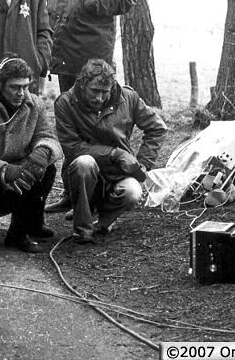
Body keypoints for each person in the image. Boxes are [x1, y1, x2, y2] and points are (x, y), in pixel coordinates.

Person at [44, 0, 137, 214]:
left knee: (95, 126)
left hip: (92, 56)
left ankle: (98, 197)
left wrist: (89, 3)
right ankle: (72, 194)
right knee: (70, 123)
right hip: (64, 50)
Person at [54, 59, 166, 244]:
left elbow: (157, 128)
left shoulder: (128, 97)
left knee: (132, 192)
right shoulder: (66, 102)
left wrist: (144, 163)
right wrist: (115, 154)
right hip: (83, 169)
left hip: (118, 172)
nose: (99, 98)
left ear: (112, 87)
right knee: (84, 164)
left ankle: (104, 222)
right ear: (82, 85)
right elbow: (72, 147)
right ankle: (82, 228)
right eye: (95, 91)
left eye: (104, 92)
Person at [0, 56, 63, 253]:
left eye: (25, 86)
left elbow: (48, 136)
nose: (21, 93)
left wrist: (43, 151)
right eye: (15, 87)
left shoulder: (36, 105)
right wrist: (2, 170)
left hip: (19, 169)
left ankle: (19, 232)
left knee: (47, 170)